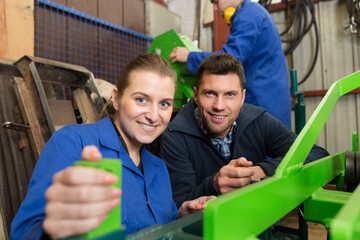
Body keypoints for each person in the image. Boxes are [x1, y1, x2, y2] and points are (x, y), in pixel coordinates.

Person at [10, 54, 214, 240]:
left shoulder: (158, 167)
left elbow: (159, 228)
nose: (153, 115)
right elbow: (23, 233)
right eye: (141, 100)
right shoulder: (73, 143)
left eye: (164, 104)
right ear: (116, 99)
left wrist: (180, 217)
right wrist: (55, 230)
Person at [160, 53, 329, 207]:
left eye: (230, 95)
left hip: (258, 226)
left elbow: (317, 155)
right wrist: (213, 184)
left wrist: (261, 172)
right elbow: (178, 206)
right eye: (210, 93)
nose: (219, 106)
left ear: (242, 98)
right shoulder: (174, 137)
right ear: (196, 95)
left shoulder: (258, 120)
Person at [169, 0, 291, 129]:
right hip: (270, 94)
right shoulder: (253, 12)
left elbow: (231, 58)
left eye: (216, 3)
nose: (215, 8)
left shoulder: (248, 16)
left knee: (264, 144)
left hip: (261, 97)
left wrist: (189, 57)